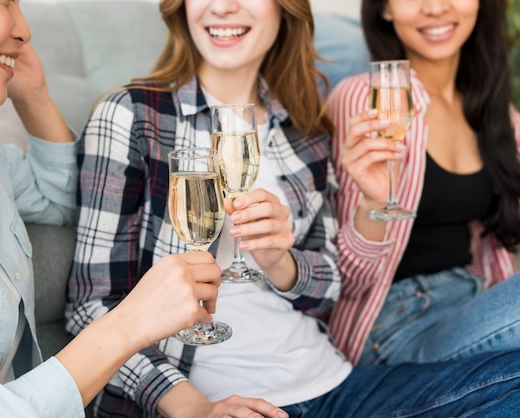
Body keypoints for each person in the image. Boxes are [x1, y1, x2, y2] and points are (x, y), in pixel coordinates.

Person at [67, 0, 520, 417]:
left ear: (285, 9)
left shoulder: (305, 133)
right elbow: (91, 306)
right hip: (214, 395)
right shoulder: (132, 115)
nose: (223, 6)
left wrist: (280, 262)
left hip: (338, 384)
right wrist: (193, 408)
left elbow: (328, 291)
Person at [0, 0, 224, 416]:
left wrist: (33, 96)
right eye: (4, 2)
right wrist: (129, 322)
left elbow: (67, 200)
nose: (24, 30)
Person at [326, 0, 520, 366]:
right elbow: (343, 282)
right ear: (384, 9)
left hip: (474, 303)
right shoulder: (365, 102)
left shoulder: (497, 115)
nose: (436, 7)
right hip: (393, 325)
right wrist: (374, 206)